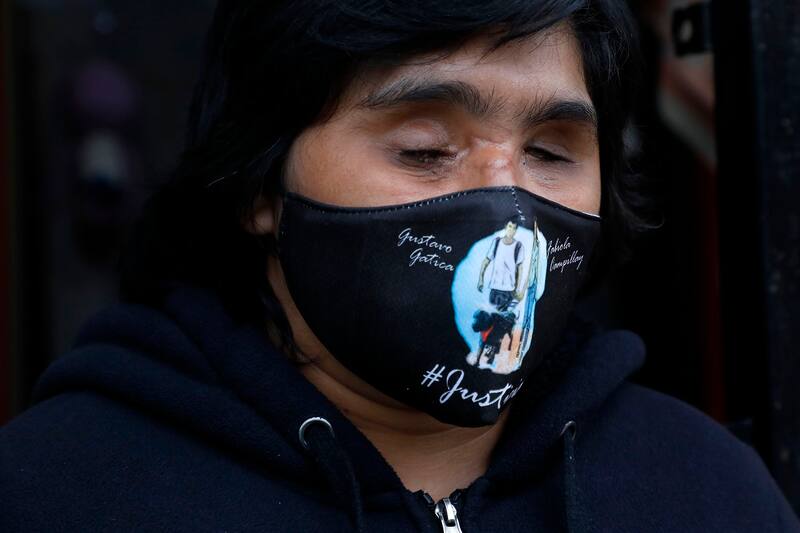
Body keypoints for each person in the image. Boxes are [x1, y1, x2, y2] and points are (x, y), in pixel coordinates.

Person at [2, 1, 799, 531]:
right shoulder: (57, 492)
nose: (505, 202)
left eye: (551, 152)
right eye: (424, 149)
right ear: (260, 184)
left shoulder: (706, 493)